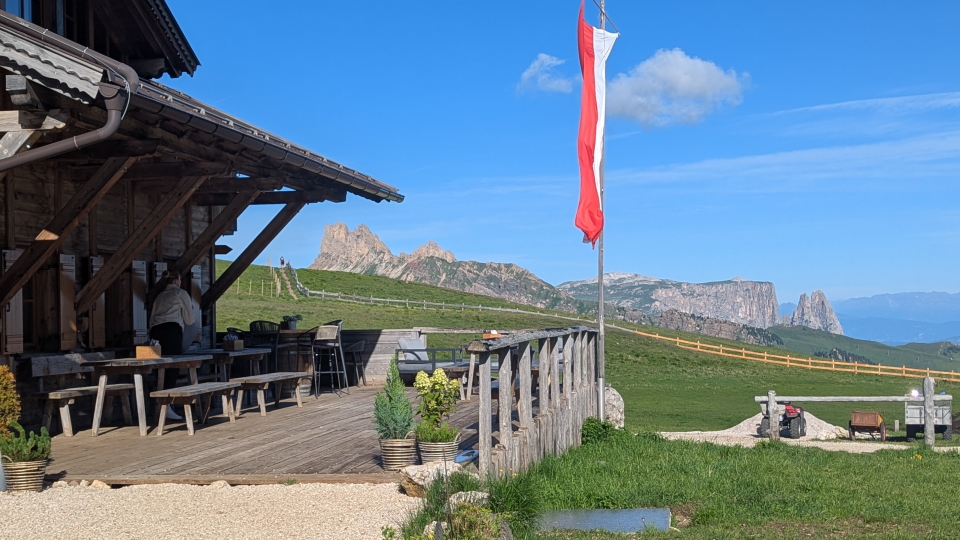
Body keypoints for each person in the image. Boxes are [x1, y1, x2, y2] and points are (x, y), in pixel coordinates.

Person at [148, 270, 196, 420]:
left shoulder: (160, 296)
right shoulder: (180, 293)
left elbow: (151, 318)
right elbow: (189, 319)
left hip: (156, 331)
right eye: (180, 280)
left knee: (159, 367)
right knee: (172, 367)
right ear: (176, 281)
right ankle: (166, 405)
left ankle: (159, 404)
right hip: (171, 330)